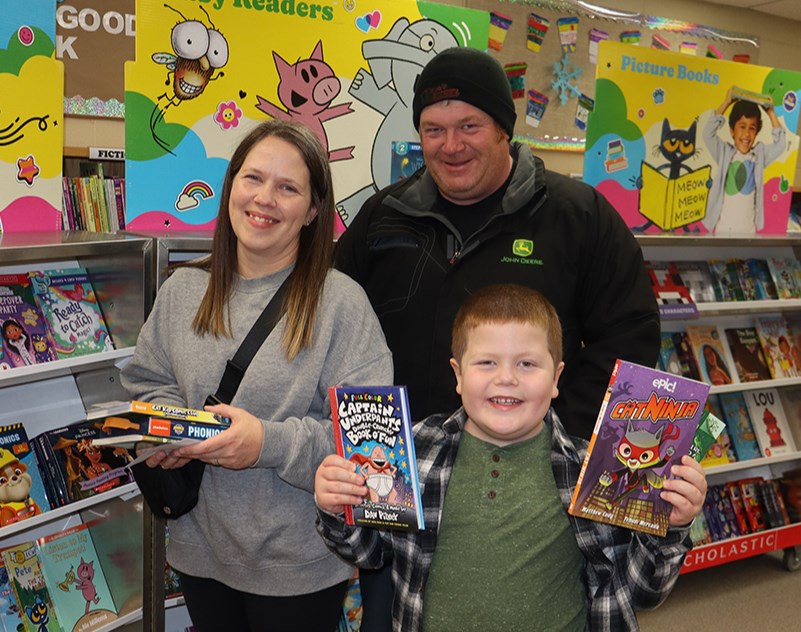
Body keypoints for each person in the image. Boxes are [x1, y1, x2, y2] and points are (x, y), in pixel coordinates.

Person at [334, 45, 660, 630]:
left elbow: (630, 337)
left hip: (543, 490)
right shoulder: (385, 217)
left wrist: (569, 447)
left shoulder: (578, 215)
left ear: (504, 129)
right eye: (433, 129)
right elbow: (331, 319)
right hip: (403, 490)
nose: (450, 145)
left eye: (469, 126)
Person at [120, 120, 393, 632]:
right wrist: (167, 430)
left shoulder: (341, 305)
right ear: (231, 189)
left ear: (313, 211)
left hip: (300, 567)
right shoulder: (182, 292)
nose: (264, 199)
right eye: (253, 179)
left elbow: (371, 444)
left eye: (288, 187)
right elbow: (146, 381)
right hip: (200, 553)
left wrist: (265, 443)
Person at [315, 284, 706, 631]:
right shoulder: (413, 451)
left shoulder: (594, 470)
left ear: (556, 379)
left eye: (527, 364)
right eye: (486, 362)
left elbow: (641, 592)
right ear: (457, 374)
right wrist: (336, 506)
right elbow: (370, 553)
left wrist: (671, 525)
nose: (506, 378)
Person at [702, 86, 787, 235]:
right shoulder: (724, 153)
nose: (746, 134)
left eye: (752, 128)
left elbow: (780, 145)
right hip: (723, 230)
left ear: (757, 132)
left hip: (748, 232)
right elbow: (707, 133)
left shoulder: (759, 157)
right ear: (731, 130)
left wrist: (771, 113)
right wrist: (726, 103)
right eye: (742, 127)